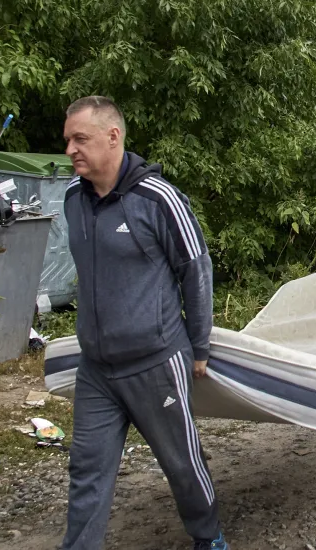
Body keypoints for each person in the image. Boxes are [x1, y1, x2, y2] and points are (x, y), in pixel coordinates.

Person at [61, 97, 228, 550]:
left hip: (155, 362)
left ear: (112, 136)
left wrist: (199, 345)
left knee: (180, 463)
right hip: (96, 368)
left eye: (81, 139)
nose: (71, 150)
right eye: (68, 141)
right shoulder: (74, 199)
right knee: (87, 468)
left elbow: (196, 267)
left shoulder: (158, 199)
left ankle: (208, 535)